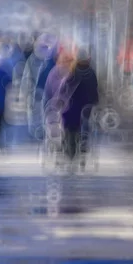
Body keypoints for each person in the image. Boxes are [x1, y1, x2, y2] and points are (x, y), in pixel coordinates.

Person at [45, 42, 99, 171]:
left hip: (71, 109)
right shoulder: (89, 72)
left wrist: (57, 102)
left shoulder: (72, 73)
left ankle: (70, 151)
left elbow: (62, 90)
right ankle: (79, 149)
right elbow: (94, 91)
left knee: (69, 129)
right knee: (81, 129)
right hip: (81, 109)